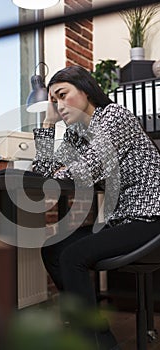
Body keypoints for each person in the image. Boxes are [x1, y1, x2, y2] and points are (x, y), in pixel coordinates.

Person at [32, 65, 160, 349]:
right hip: (123, 220)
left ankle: (94, 341)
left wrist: (63, 171)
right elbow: (42, 171)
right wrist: (48, 123)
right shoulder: (77, 135)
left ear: (86, 90)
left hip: (151, 218)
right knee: (53, 248)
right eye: (54, 101)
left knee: (73, 256)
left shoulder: (115, 116)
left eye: (63, 95)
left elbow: (89, 169)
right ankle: (94, 333)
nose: (60, 105)